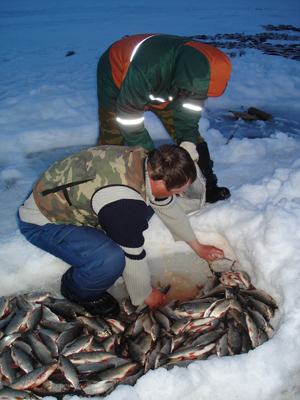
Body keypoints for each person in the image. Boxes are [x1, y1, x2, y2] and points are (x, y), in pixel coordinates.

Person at [18, 144, 224, 317]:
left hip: (72, 197)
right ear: (160, 181)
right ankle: (76, 291)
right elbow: (132, 254)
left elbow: (167, 205)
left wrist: (197, 246)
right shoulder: (123, 202)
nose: (180, 194)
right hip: (44, 220)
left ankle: (113, 232)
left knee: (145, 208)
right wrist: (143, 292)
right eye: (178, 190)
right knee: (110, 259)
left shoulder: (148, 162)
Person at [96, 33, 232, 203]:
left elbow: (188, 115)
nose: (199, 96)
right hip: (115, 75)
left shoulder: (197, 74)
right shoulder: (148, 69)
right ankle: (100, 184)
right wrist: (155, 164)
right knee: (112, 135)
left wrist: (189, 142)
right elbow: (129, 121)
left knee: (187, 137)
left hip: (166, 86)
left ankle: (209, 184)